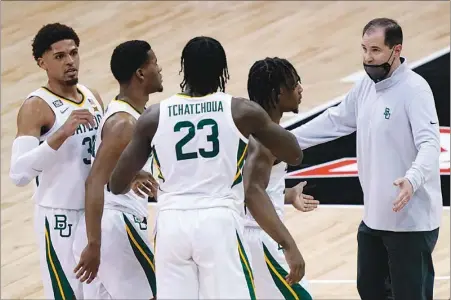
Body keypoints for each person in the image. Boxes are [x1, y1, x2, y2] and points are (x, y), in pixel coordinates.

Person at [109, 36, 306, 300]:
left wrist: (139, 173)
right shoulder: (240, 111)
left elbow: (116, 183)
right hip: (218, 220)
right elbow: (293, 153)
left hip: (171, 224)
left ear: (184, 71)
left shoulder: (154, 116)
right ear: (222, 72)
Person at [292, 18, 442, 300]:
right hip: (374, 218)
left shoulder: (415, 90)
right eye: (364, 49)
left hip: (411, 222)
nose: (367, 58)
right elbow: (335, 121)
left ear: (396, 50)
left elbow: (430, 144)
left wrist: (412, 179)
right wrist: (286, 139)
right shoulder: (365, 87)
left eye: (375, 50)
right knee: (370, 290)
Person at [9, 23, 104, 299]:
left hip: (95, 213)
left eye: (73, 53)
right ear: (42, 63)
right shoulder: (36, 106)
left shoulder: (92, 96)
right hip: (60, 217)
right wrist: (59, 134)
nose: (70, 61)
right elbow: (19, 174)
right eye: (60, 56)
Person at [72, 40, 162, 299]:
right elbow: (94, 182)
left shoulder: (129, 115)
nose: (159, 68)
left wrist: (136, 174)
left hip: (104, 230)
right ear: (140, 73)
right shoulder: (124, 123)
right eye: (154, 62)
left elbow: (111, 171)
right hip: (115, 229)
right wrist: (94, 245)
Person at [243, 57, 318, 300]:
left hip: (242, 232)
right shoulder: (266, 139)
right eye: (294, 83)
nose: (300, 89)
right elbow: (251, 191)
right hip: (260, 235)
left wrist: (287, 195)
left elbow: (245, 186)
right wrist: (289, 245)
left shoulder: (242, 128)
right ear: (278, 93)